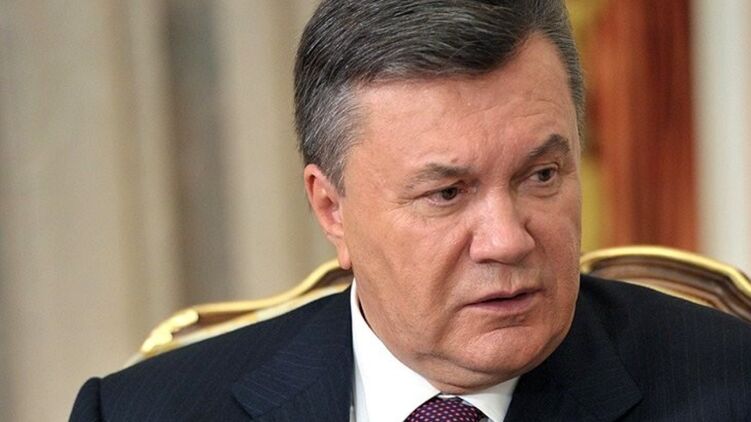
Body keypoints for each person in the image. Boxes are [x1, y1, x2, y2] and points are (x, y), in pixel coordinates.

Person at [70, 1, 751, 421]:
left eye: (540, 176)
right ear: (331, 208)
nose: (507, 240)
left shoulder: (732, 389)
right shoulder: (140, 412)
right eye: (446, 193)